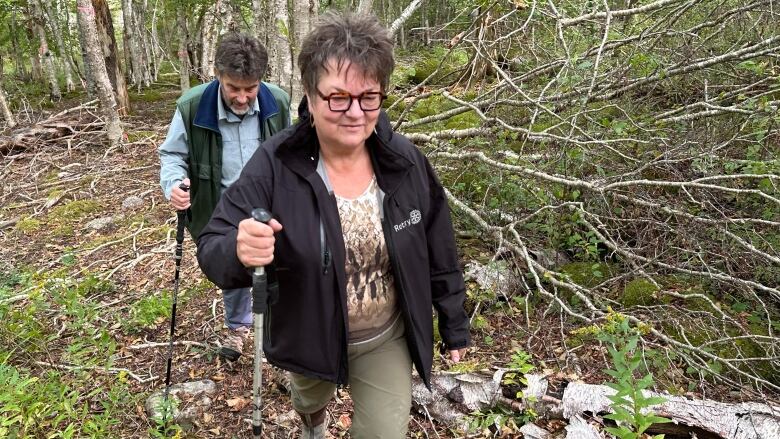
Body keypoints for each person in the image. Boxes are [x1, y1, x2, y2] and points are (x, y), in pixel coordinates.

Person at [196, 12, 470, 438]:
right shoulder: (275, 164)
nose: (355, 112)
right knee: (309, 397)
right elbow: (213, 243)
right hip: (308, 330)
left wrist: (453, 324)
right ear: (309, 93)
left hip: (384, 334)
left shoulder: (405, 164)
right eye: (338, 97)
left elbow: (440, 246)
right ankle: (313, 420)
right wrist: (237, 247)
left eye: (369, 97)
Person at [158, 33, 291, 361]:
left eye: (251, 88)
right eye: (234, 88)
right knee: (233, 266)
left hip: (270, 203)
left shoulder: (278, 101)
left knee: (280, 267)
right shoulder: (192, 106)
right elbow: (173, 154)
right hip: (221, 207)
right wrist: (174, 184)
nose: (243, 97)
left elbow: (291, 151)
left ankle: (281, 340)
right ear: (217, 75)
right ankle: (237, 327)